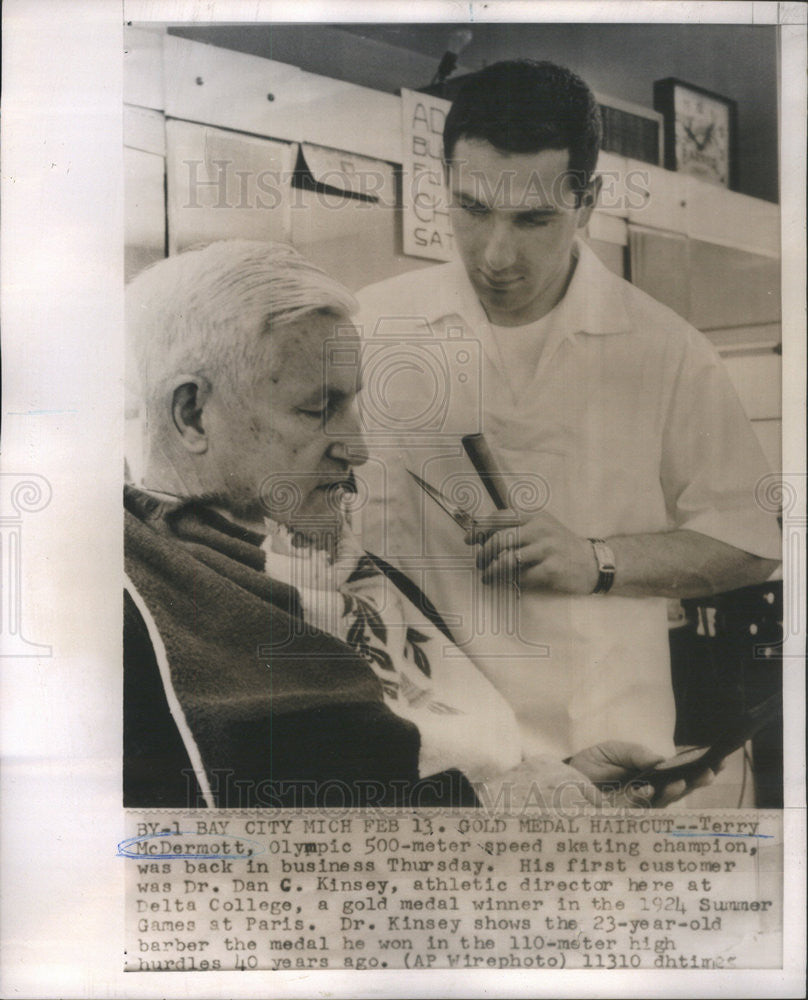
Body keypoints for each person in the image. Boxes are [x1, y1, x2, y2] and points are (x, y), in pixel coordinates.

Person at [123, 239, 697, 809]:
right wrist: (504, 811)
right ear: (192, 413)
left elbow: (408, 776)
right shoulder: (128, 609)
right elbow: (265, 853)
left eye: (352, 406)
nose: (358, 447)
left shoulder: (334, 565)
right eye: (316, 410)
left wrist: (565, 783)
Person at [356, 60, 781, 763]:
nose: (496, 253)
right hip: (426, 763)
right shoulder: (370, 326)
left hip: (602, 756)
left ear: (587, 202)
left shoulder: (665, 349)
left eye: (533, 219)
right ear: (445, 185)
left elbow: (756, 541)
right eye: (472, 209)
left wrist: (598, 561)